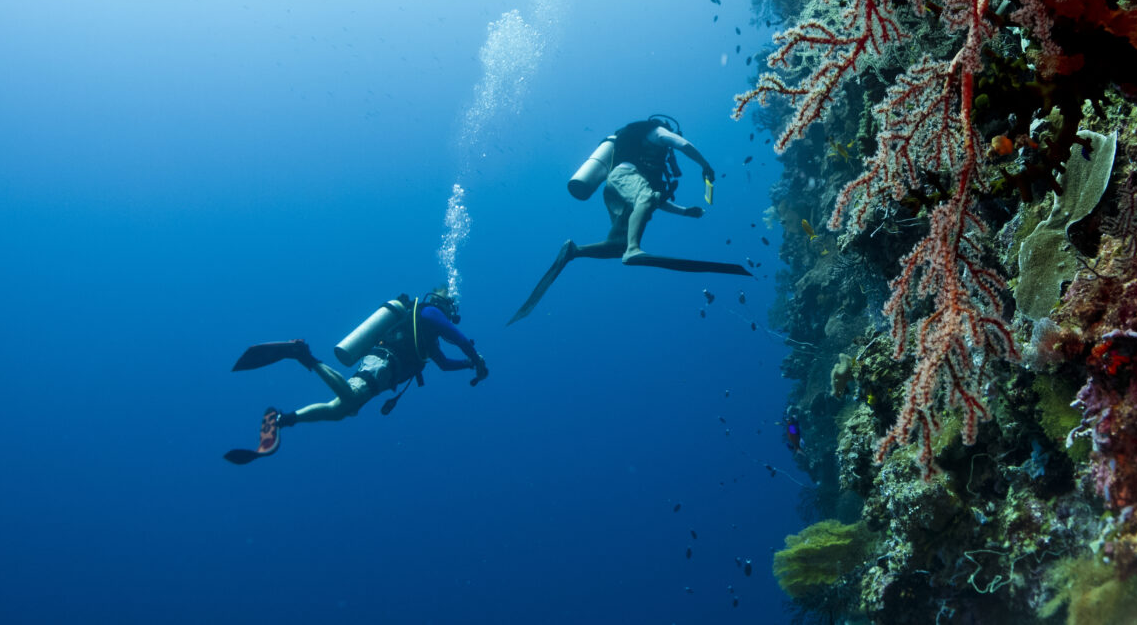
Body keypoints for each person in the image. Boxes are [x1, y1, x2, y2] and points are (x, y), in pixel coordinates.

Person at [508, 115, 748, 325]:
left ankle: (574, 251)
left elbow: (654, 200)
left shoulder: (648, 163)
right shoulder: (657, 131)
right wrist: (705, 165)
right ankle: (634, 250)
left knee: (618, 243)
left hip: (615, 186)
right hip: (624, 175)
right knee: (645, 202)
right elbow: (682, 145)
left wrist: (685, 211)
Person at [223, 288, 487, 464]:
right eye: (452, 306)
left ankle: (282, 419)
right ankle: (303, 354)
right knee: (350, 396)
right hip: (384, 363)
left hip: (386, 368)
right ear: (444, 302)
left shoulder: (429, 339)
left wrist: (468, 364)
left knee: (341, 410)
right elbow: (461, 339)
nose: (453, 313)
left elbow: (443, 364)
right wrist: (477, 361)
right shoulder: (430, 312)